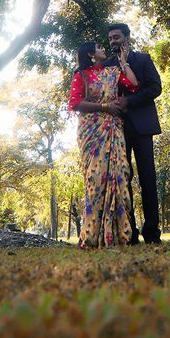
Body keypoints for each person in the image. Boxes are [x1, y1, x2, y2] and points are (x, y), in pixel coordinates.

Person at [67, 41, 140, 248]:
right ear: (91, 54)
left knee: (120, 175)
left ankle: (120, 236)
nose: (102, 49)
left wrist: (124, 63)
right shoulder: (81, 76)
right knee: (96, 179)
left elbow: (134, 85)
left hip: (114, 129)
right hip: (92, 131)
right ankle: (91, 236)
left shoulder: (112, 72)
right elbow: (75, 103)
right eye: (98, 47)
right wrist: (105, 106)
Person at [105, 23, 163, 245]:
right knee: (122, 180)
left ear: (127, 37)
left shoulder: (143, 59)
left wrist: (129, 100)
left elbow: (155, 88)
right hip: (116, 129)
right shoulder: (107, 65)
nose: (113, 41)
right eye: (110, 38)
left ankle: (152, 233)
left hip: (143, 126)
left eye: (116, 37)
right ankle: (129, 233)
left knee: (148, 179)